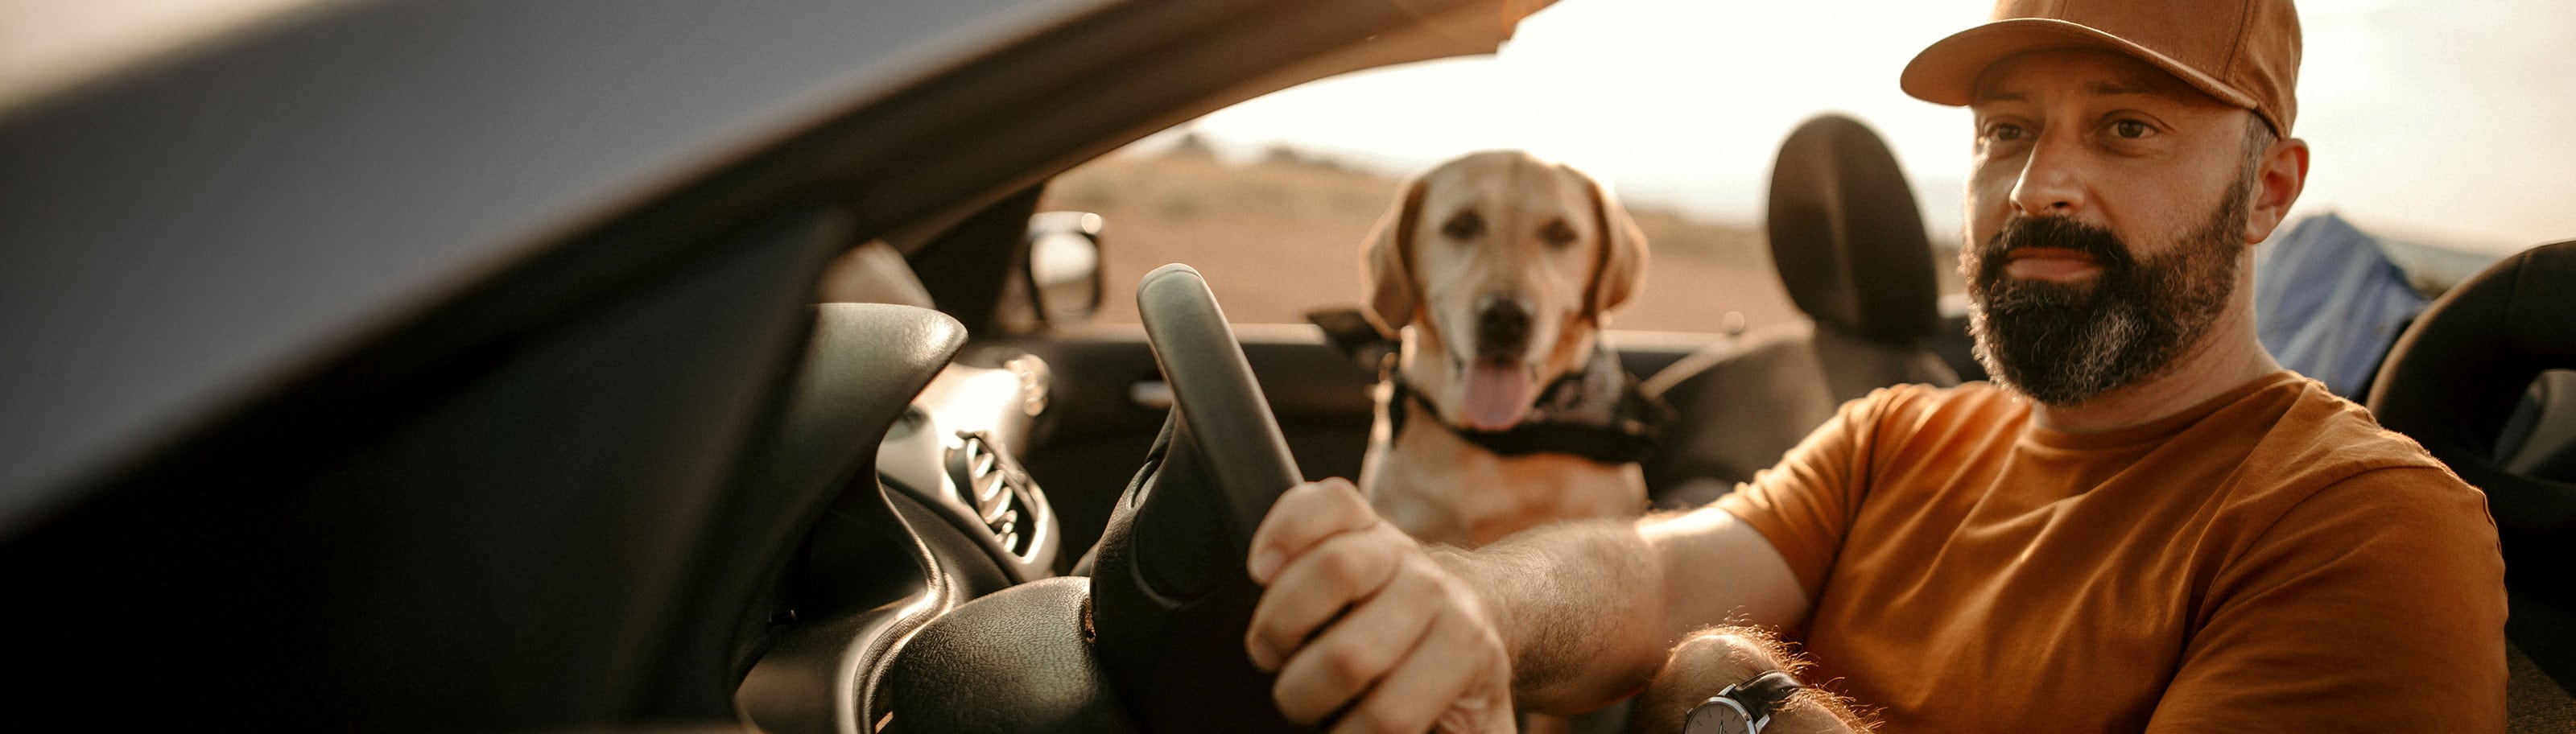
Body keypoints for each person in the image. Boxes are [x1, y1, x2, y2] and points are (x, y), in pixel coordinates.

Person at [1238, 0, 2510, 732]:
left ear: (2267, 191)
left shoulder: (2367, 526)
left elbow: (1700, 650)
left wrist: (1742, 702)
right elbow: (1650, 572)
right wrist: (1472, 605)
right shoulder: (1900, 436)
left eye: (2127, 128)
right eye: (2006, 130)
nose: (2039, 185)